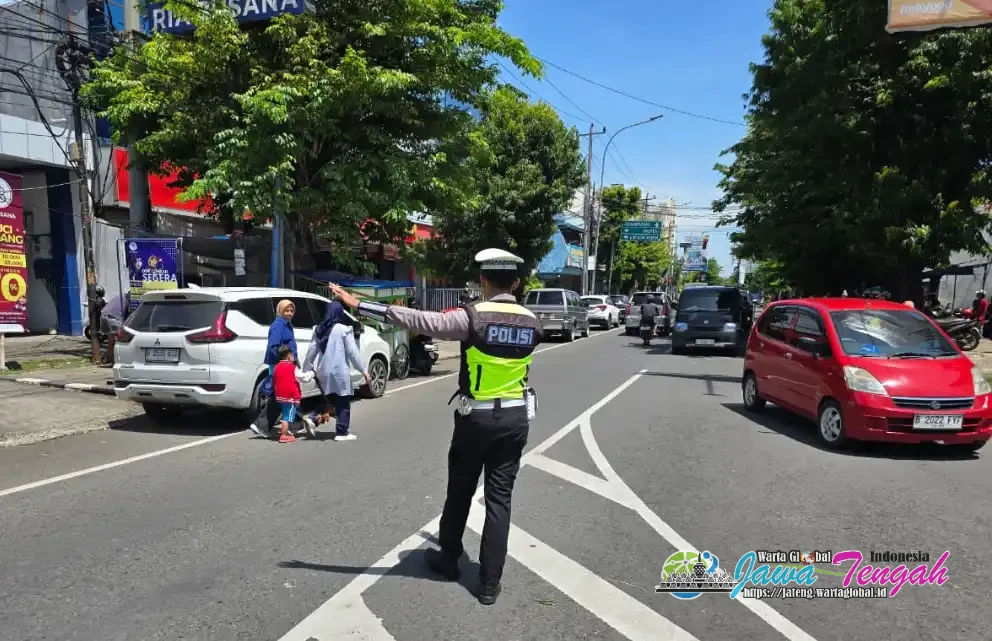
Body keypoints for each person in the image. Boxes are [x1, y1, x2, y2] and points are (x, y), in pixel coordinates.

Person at [328, 248, 543, 606]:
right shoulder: (533, 322)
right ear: (517, 283)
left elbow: (418, 320)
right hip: (515, 418)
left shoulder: (471, 317)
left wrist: (358, 303)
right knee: (499, 500)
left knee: (460, 490)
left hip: (475, 418)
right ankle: (490, 583)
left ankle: (449, 558)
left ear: (483, 281)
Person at [301, 301, 371, 441]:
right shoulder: (343, 329)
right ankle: (342, 432)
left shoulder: (319, 329)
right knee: (343, 400)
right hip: (339, 371)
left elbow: (311, 350)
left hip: (323, 370)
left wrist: (306, 369)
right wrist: (363, 369)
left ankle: (313, 418)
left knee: (330, 399)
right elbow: (353, 353)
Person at [249, 300, 301, 438]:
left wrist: (295, 360)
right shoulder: (278, 325)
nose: (289, 313)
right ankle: (265, 424)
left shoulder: (286, 324)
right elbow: (274, 347)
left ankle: (294, 424)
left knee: (282, 394)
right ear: (280, 311)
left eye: (291, 311)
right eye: (286, 311)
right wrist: (284, 361)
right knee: (283, 394)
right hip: (280, 365)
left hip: (286, 364)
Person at [271, 345, 314, 443]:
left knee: (285, 413)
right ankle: (284, 435)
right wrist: (311, 374)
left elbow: (274, 380)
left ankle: (284, 430)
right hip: (290, 396)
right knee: (288, 416)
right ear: (289, 356)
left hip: (280, 395)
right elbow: (303, 378)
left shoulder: (276, 367)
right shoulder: (292, 367)